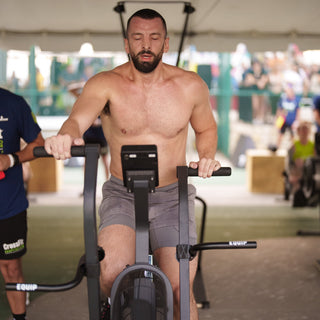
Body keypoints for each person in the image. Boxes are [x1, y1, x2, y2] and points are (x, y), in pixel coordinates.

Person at [44, 8, 221, 320]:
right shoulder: (105, 84)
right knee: (110, 274)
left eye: (154, 38)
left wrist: (206, 155)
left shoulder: (191, 85)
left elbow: (206, 128)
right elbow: (77, 119)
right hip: (122, 194)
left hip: (172, 196)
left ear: (166, 44)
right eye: (138, 38)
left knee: (180, 289)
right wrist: (65, 137)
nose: (146, 45)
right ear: (127, 43)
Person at [0, 87, 44, 320]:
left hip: (8, 205)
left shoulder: (14, 103)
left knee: (12, 270)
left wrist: (10, 159)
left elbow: (39, 144)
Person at [286, 121, 315, 206]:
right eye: (302, 130)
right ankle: (298, 196)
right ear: (298, 132)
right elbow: (289, 162)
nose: (304, 132)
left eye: (306, 130)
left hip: (309, 170)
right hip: (297, 170)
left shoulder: (312, 146)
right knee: (296, 175)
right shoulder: (294, 146)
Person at [275, 83, 300, 149]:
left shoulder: (296, 100)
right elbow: (279, 109)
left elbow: (298, 111)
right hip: (283, 121)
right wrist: (277, 119)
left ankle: (295, 149)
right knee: (280, 134)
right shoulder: (283, 99)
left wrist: (297, 121)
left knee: (292, 136)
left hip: (291, 121)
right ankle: (277, 148)